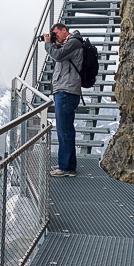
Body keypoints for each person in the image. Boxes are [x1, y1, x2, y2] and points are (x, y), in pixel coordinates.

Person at [43, 23, 82, 177]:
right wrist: (53, 44)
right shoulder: (68, 43)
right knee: (63, 129)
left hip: (67, 91)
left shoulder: (74, 42)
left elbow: (58, 56)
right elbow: (59, 56)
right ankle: (65, 164)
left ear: (64, 30)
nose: (55, 36)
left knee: (64, 130)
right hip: (64, 89)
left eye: (56, 33)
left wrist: (48, 45)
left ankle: (66, 168)